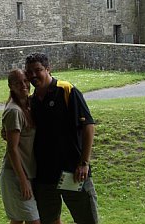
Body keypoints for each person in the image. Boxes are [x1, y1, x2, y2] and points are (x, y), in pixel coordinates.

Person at [25, 53, 98, 224]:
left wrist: (84, 163)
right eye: (29, 72)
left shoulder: (66, 90)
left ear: (48, 69)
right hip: (44, 176)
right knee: (48, 220)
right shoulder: (31, 101)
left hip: (72, 172)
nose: (33, 75)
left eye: (38, 70)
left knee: (86, 219)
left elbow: (88, 126)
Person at [0, 69, 40, 224]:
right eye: (18, 82)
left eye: (25, 80)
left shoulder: (29, 104)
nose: (23, 85)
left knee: (17, 220)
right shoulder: (14, 111)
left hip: (28, 173)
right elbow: (12, 149)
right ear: (11, 86)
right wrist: (23, 181)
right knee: (34, 221)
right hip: (16, 175)